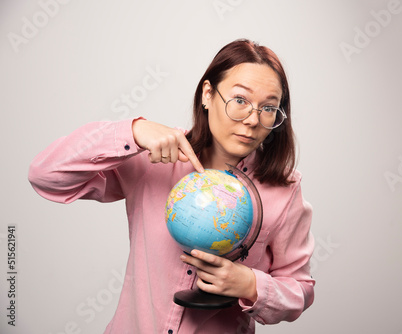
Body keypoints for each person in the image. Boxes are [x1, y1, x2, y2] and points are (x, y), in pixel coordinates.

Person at [29, 39, 315, 334]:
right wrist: (132, 131)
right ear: (207, 94)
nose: (253, 120)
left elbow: (300, 289)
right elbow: (46, 175)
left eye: (268, 108)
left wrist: (252, 285)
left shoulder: (285, 189)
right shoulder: (154, 157)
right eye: (240, 100)